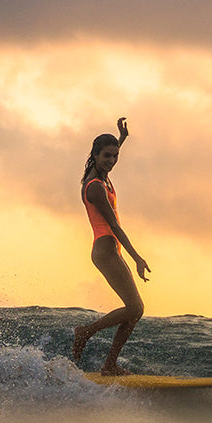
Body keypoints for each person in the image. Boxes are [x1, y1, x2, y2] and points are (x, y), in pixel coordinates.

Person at [72, 117, 150, 375]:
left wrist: (122, 138)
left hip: (111, 250)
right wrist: (137, 257)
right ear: (94, 155)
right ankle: (86, 332)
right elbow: (115, 226)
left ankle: (109, 365)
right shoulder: (95, 187)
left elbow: (112, 150)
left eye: (116, 156)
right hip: (105, 250)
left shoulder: (103, 176)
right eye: (107, 156)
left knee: (134, 311)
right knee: (135, 307)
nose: (112, 161)